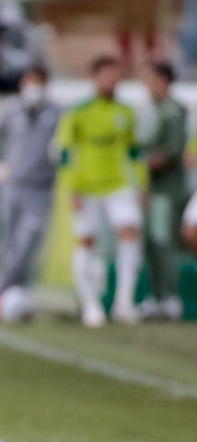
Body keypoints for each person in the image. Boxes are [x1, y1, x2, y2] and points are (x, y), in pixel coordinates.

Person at [56, 55, 148, 327]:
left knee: (130, 232)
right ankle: (90, 305)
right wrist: (72, 189)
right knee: (87, 241)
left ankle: (124, 302)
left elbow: (134, 153)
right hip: (87, 187)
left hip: (119, 185)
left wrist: (140, 185)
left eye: (116, 75)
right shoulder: (78, 112)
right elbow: (64, 153)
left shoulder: (126, 112)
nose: (112, 80)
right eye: (107, 75)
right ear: (94, 77)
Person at [0, 64, 60, 321]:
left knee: (28, 241)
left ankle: (1, 289)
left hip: (41, 187)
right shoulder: (12, 109)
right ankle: (17, 299)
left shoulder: (57, 113)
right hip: (13, 185)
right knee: (11, 242)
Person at [140, 60, 189, 320]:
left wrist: (147, 162)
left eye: (151, 80)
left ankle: (168, 298)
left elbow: (173, 150)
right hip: (156, 188)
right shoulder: (156, 109)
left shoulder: (172, 110)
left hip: (166, 190)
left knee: (163, 242)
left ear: (164, 81)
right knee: (153, 242)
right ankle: (158, 296)